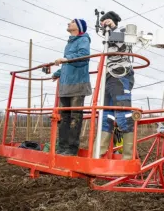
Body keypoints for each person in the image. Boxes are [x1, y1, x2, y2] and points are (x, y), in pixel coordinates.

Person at [93, 11, 135, 160]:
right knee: (106, 115)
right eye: (103, 21)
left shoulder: (122, 32)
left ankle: (128, 157)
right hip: (109, 76)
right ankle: (98, 154)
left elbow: (124, 42)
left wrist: (111, 29)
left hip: (121, 75)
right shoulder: (107, 37)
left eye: (107, 20)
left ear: (115, 21)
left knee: (124, 114)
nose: (104, 23)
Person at [52, 18, 92, 156]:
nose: (68, 23)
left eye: (72, 22)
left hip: (77, 84)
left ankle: (71, 149)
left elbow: (84, 55)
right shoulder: (69, 43)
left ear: (78, 27)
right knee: (63, 118)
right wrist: (57, 73)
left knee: (75, 117)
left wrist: (66, 59)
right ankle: (61, 147)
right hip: (65, 85)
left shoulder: (83, 40)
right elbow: (66, 64)